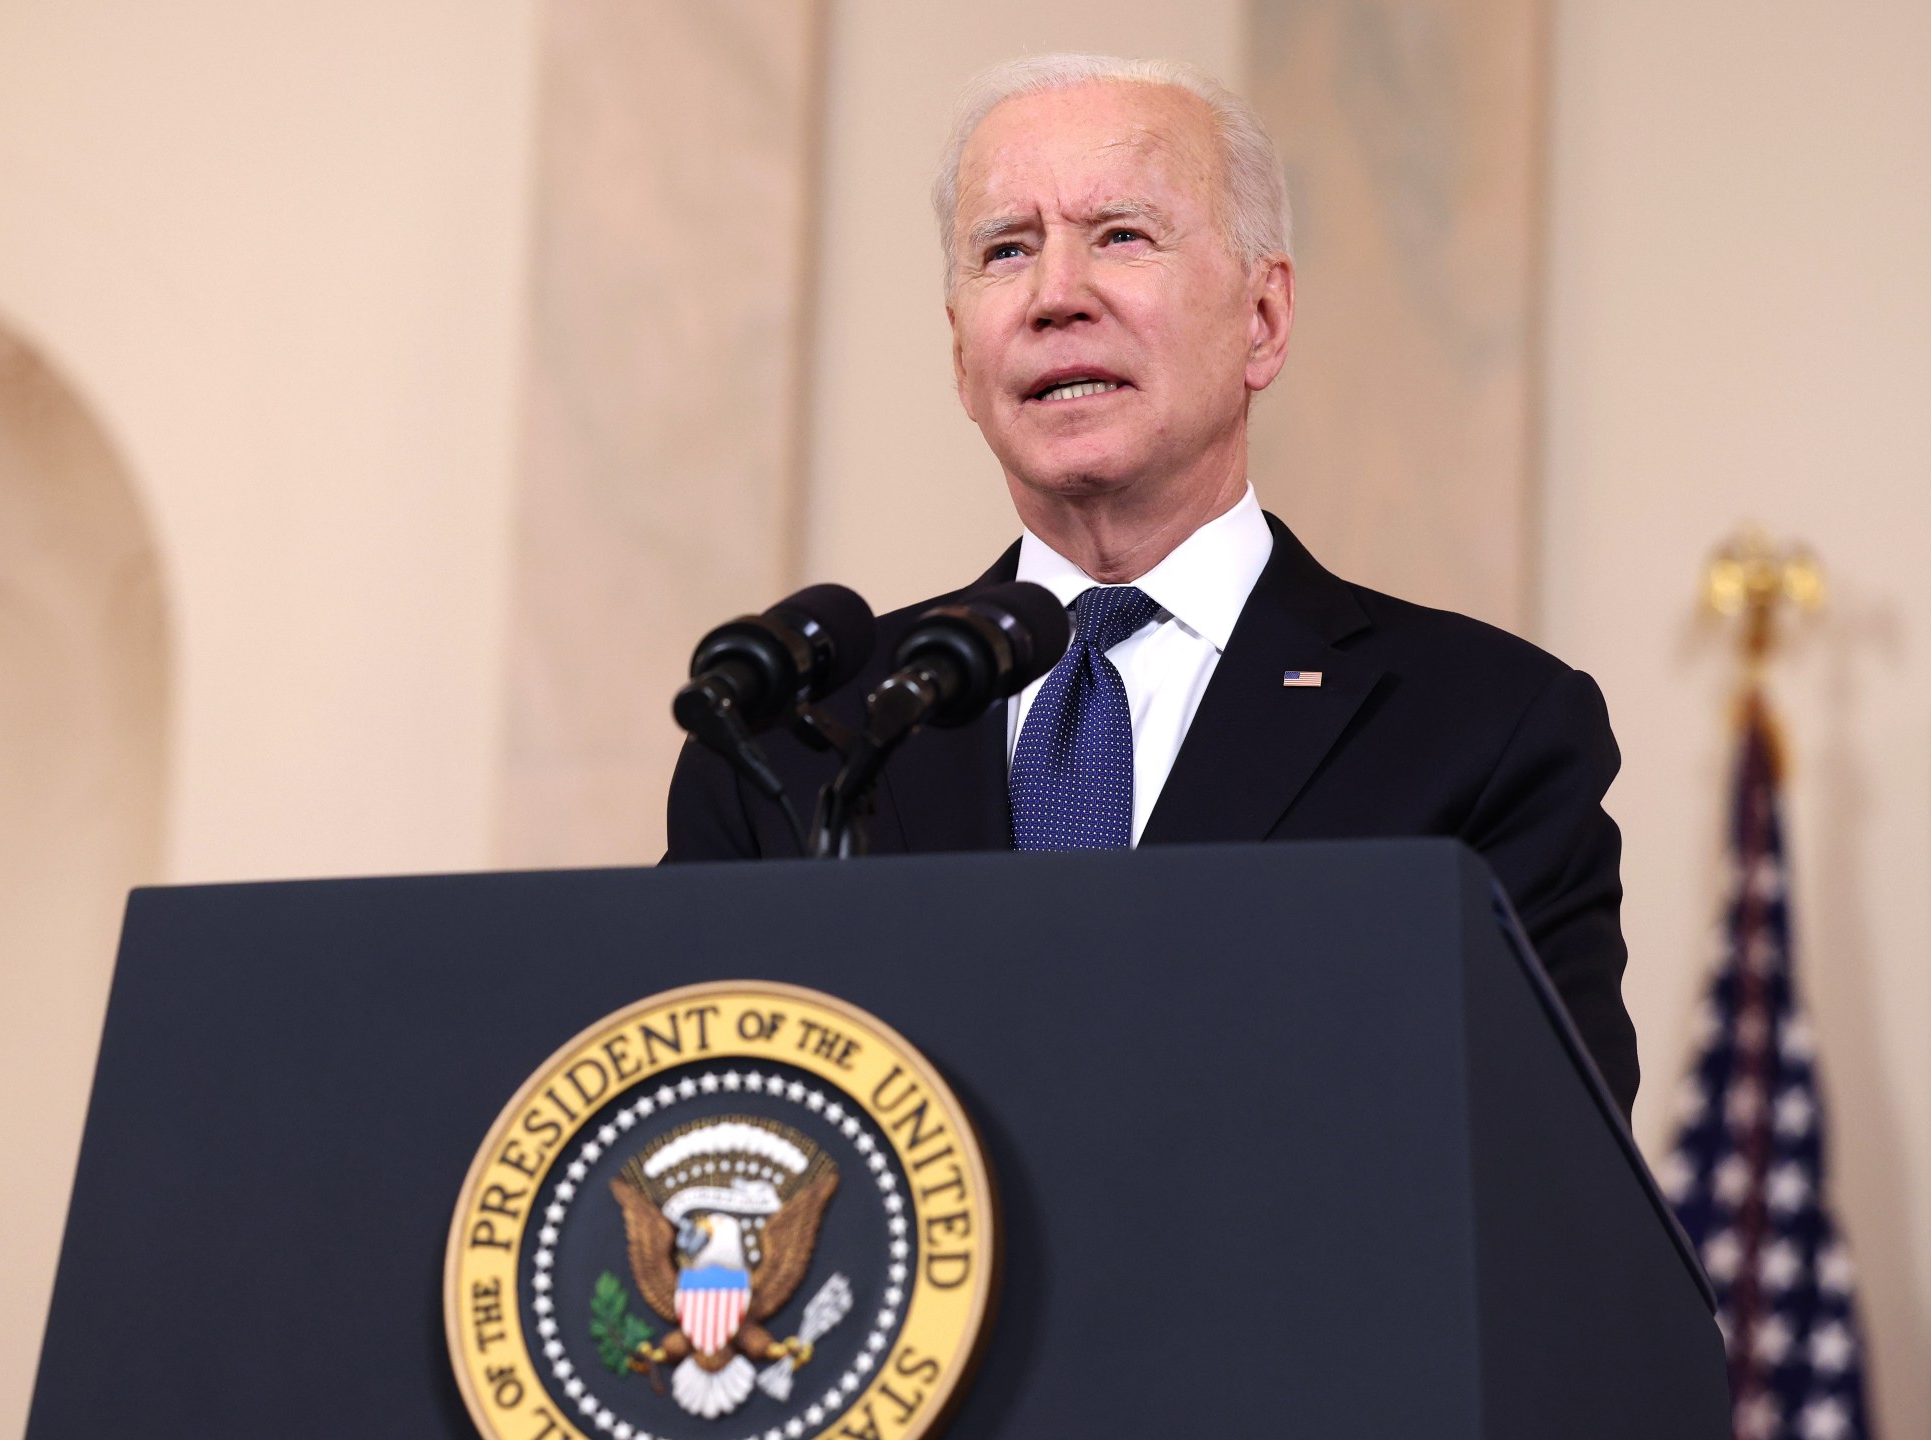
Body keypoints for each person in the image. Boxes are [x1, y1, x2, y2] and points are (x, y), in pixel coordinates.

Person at [664, 54, 1637, 1118]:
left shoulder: (1485, 729)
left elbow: (1540, 1173)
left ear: (1262, 320)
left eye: (1120, 235)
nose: (1055, 296)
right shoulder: (795, 745)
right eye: (1006, 250)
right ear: (961, 357)